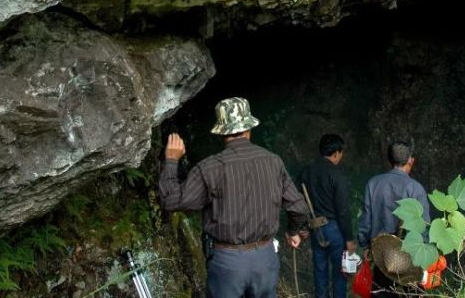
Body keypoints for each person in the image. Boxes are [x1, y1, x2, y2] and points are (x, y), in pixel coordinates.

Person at [158, 97, 309, 298]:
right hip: (265, 258)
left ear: (222, 132)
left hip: (227, 263)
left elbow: (171, 200)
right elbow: (299, 207)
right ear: (249, 128)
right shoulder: (273, 162)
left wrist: (171, 161)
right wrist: (292, 232)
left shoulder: (209, 168)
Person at [358, 141, 431, 297]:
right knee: (411, 293)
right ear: (411, 160)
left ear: (389, 160)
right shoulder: (415, 188)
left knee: (381, 292)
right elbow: (423, 224)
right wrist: (423, 255)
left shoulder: (373, 183)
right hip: (408, 254)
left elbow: (366, 219)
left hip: (382, 252)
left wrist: (365, 245)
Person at [296, 133, 355, 298]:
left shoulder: (306, 171)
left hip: (315, 227)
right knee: (339, 273)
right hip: (334, 228)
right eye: (341, 153)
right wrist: (349, 239)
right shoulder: (337, 174)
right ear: (336, 153)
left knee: (319, 270)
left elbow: (296, 201)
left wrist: (302, 226)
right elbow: (343, 210)